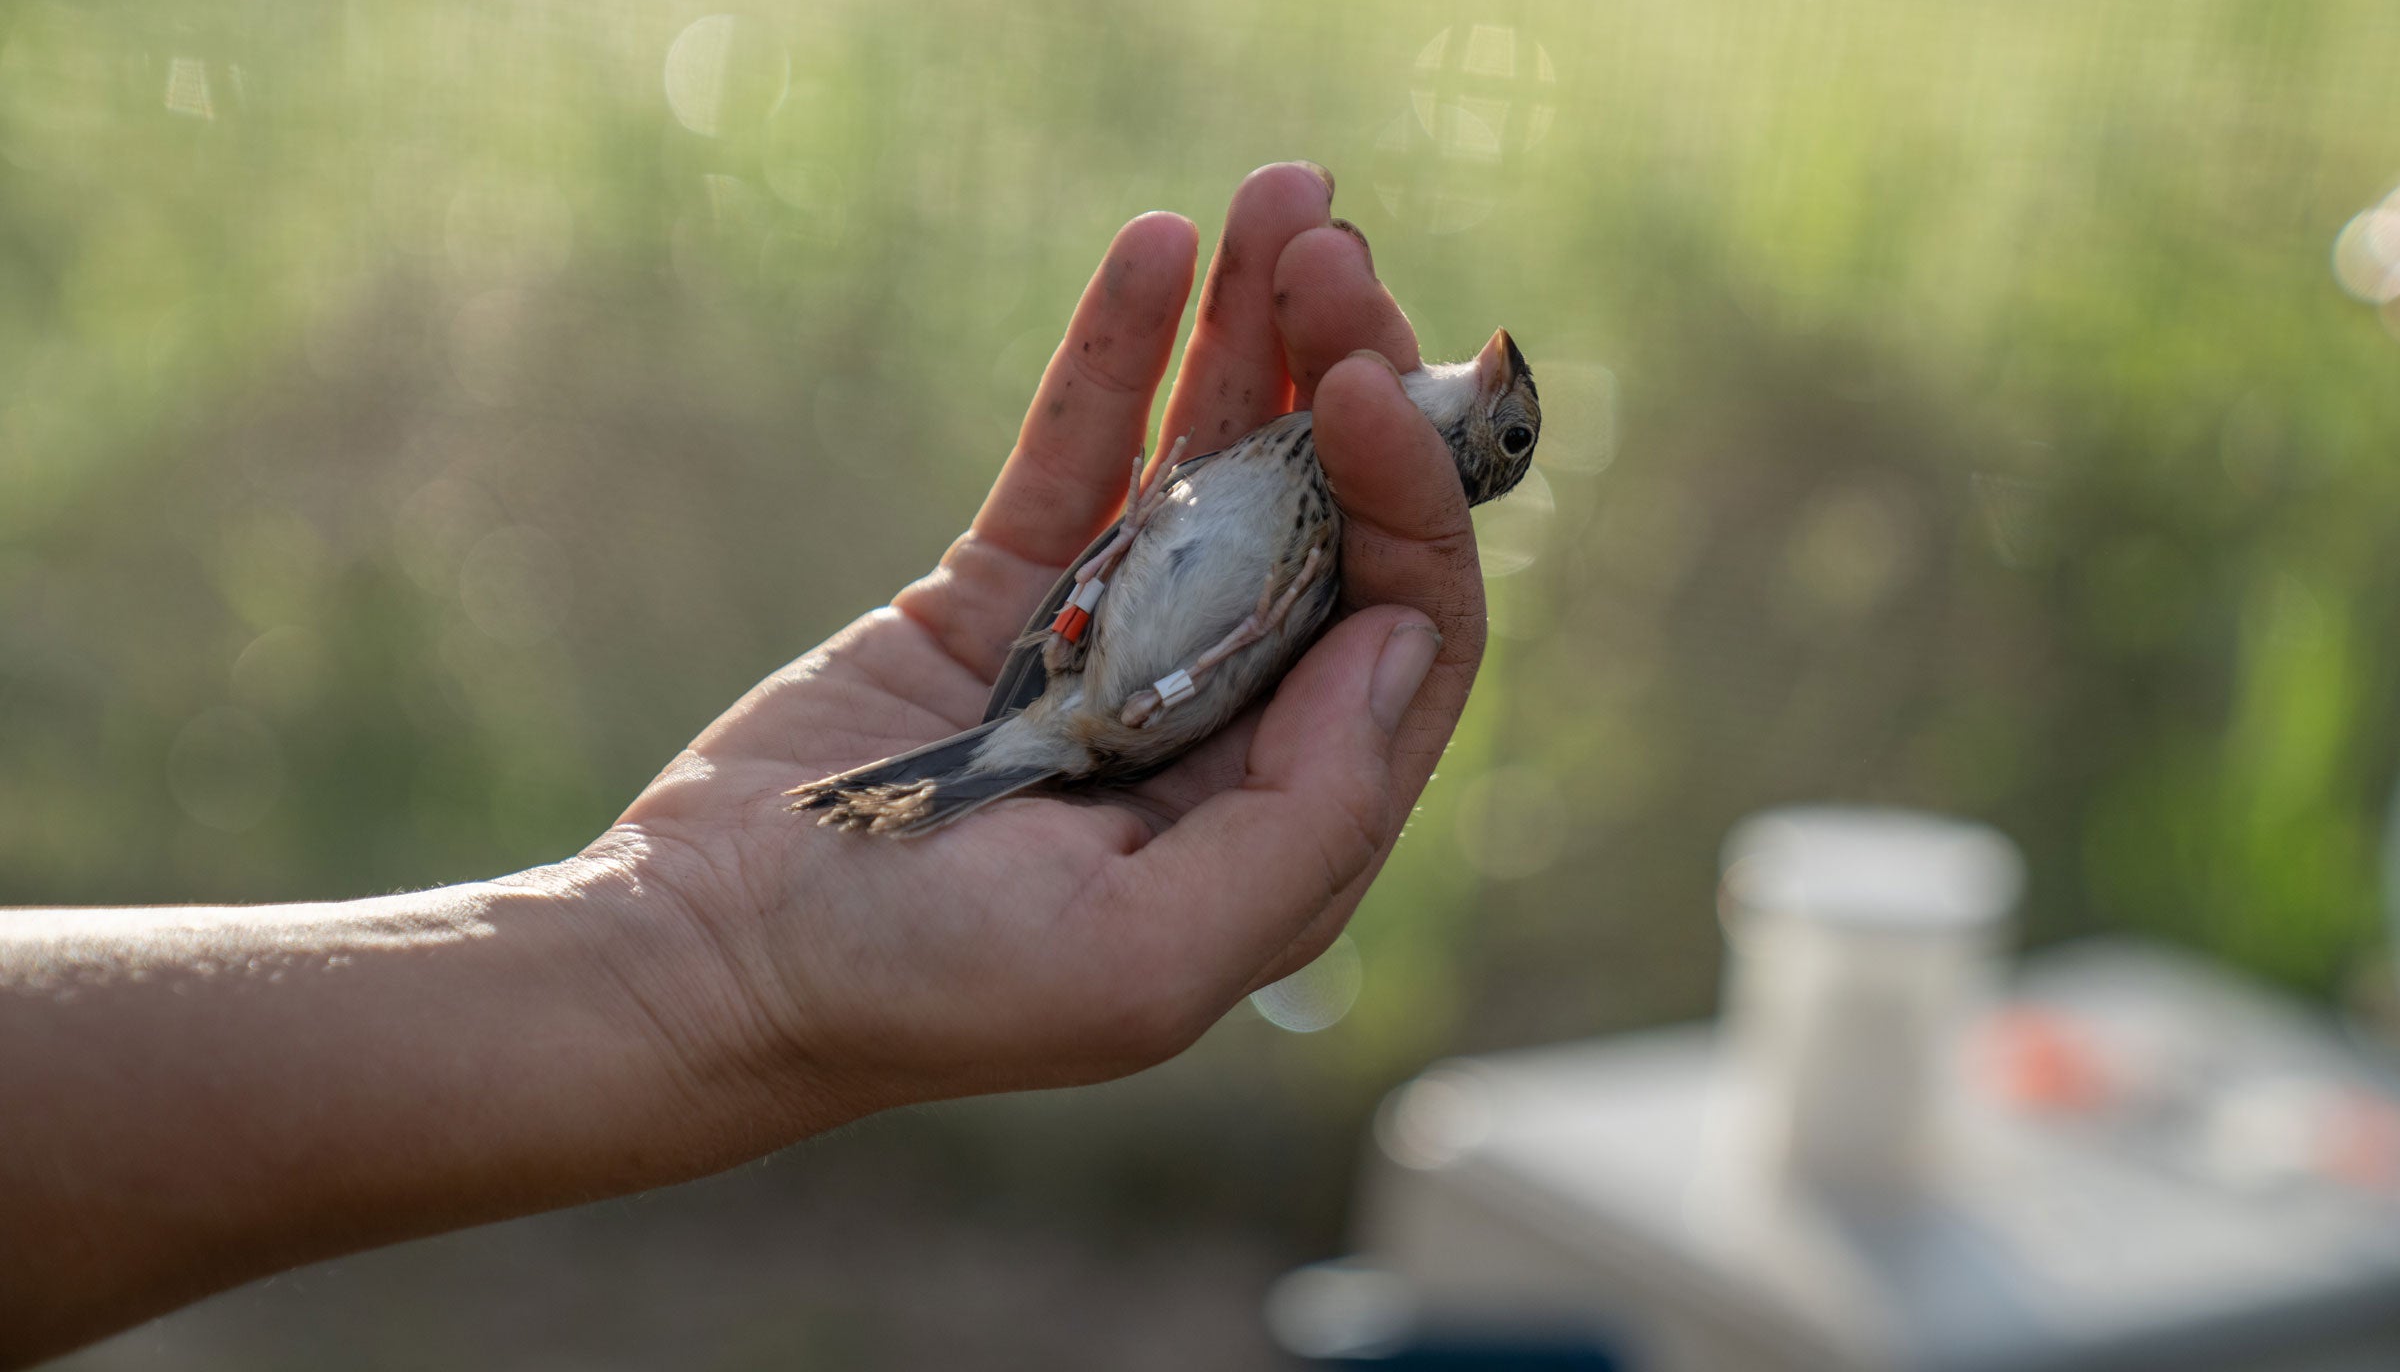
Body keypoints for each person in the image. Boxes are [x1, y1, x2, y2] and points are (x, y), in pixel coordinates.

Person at [0, 163, 1487, 1366]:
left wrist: (708, 950)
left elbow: (1204, 645)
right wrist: (699, 951)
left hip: (1095, 699)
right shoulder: (1290, 485)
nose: (1474, 388)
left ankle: (1017, 744)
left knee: (1053, 712)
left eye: (1499, 420)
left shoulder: (1316, 519)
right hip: (1084, 692)